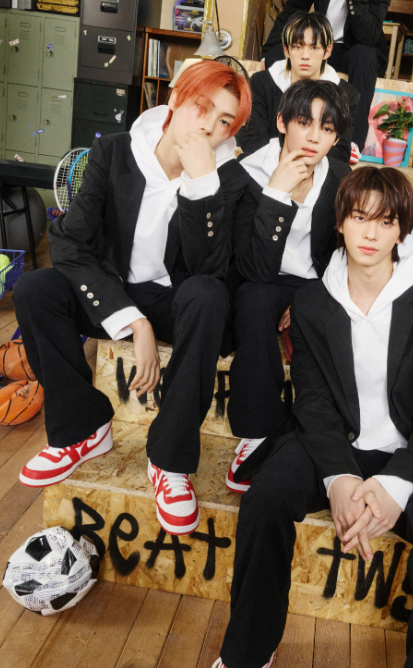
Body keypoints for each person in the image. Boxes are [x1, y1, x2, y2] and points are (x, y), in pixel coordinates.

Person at [195, 166, 413, 668]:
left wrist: (393, 488)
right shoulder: (312, 302)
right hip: (332, 443)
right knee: (264, 499)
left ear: (401, 229)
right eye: (358, 217)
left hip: (410, 456)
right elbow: (313, 403)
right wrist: (340, 480)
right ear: (341, 223)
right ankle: (244, 661)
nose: (370, 233)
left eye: (385, 221)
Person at [13, 60, 252, 537]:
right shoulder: (117, 152)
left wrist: (202, 185)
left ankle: (169, 461)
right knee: (35, 289)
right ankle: (84, 429)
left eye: (225, 121)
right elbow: (69, 242)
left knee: (208, 296)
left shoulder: (228, 178)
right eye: (202, 107)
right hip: (114, 292)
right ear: (177, 98)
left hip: (177, 300)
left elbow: (212, 272)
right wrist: (133, 321)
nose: (209, 126)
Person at [225, 78, 351, 492]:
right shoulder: (247, 173)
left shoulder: (339, 177)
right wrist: (276, 193)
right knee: (255, 299)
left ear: (335, 138)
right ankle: (256, 431)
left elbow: (344, 252)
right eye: (304, 122)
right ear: (281, 122)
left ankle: (332, 437)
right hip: (261, 279)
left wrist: (312, 297)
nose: (314, 137)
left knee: (333, 315)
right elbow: (252, 268)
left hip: (316, 285)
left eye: (326, 128)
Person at [262, 0, 397, 151]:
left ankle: (351, 142)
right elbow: (295, 8)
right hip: (319, 46)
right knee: (275, 55)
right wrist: (269, 49)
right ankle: (275, 134)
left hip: (354, 50)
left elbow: (367, 35)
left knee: (364, 54)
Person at [240, 11, 359, 163]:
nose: (305, 56)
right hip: (268, 165)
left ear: (327, 51)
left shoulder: (346, 94)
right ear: (286, 50)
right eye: (297, 47)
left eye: (314, 48)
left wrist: (302, 164)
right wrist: (283, 164)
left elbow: (340, 151)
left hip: (316, 169)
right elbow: (252, 139)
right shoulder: (262, 82)